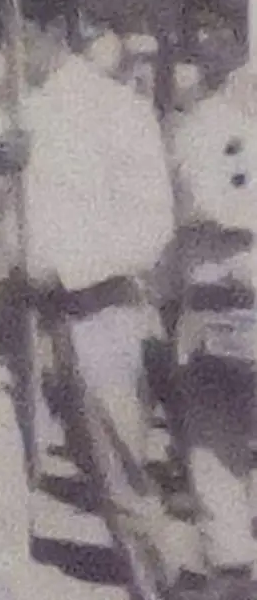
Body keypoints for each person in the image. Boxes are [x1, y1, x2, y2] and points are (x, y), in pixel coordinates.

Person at [0, 0, 191, 600]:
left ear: (56, 30)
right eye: (2, 34)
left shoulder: (114, 108)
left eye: (19, 33)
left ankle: (155, 586)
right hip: (10, 314)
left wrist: (71, 268)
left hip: (95, 313)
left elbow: (151, 224)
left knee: (119, 479)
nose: (8, 49)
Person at [162, 59, 255, 600]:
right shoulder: (202, 123)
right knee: (210, 434)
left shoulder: (206, 124)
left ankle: (233, 559)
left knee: (215, 434)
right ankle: (232, 564)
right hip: (209, 293)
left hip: (229, 286)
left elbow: (202, 199)